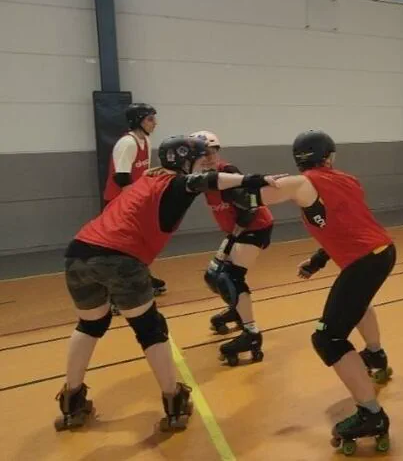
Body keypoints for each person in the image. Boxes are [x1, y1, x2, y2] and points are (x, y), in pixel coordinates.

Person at [54, 135, 276, 432]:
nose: (203, 164)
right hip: (121, 258)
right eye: (198, 160)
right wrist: (255, 178)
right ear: (185, 163)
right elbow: (205, 181)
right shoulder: (175, 184)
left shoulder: (150, 178)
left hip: (78, 253)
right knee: (150, 330)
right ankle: (174, 400)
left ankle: (71, 401)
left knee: (90, 325)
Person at [255, 130, 395, 455]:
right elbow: (343, 225)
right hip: (381, 251)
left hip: (364, 260)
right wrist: (318, 261)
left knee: (328, 338)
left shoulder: (305, 183)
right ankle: (374, 353)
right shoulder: (348, 180)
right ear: (329, 156)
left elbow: (265, 195)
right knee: (357, 304)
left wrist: (212, 182)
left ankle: (372, 414)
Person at [190, 130, 275, 366]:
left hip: (253, 228)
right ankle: (238, 310)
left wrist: (234, 236)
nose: (208, 157)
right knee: (212, 277)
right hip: (237, 231)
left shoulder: (227, 173)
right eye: (202, 154)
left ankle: (251, 333)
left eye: (212, 152)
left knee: (231, 277)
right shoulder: (201, 177)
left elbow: (249, 207)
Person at [101, 103, 166, 302]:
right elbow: (121, 177)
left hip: (133, 199)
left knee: (140, 243)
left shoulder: (145, 140)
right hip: (118, 201)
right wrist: (135, 201)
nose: (155, 123)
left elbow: (142, 171)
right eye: (150, 119)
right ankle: (113, 291)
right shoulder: (127, 143)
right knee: (120, 247)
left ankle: (141, 276)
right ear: (138, 120)